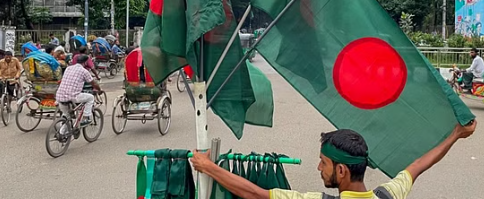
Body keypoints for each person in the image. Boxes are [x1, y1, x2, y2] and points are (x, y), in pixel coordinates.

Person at [191, 122, 477, 199]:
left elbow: (253, 193)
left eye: (323, 162)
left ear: (341, 170)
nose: (318, 168)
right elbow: (418, 166)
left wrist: (208, 166)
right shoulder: (389, 194)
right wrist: (454, 135)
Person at [55, 55, 102, 126]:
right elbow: (93, 83)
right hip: (73, 97)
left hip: (59, 96)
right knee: (90, 97)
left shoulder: (68, 68)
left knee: (67, 117)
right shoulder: (84, 71)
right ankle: (86, 118)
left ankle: (61, 134)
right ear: (85, 62)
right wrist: (99, 89)